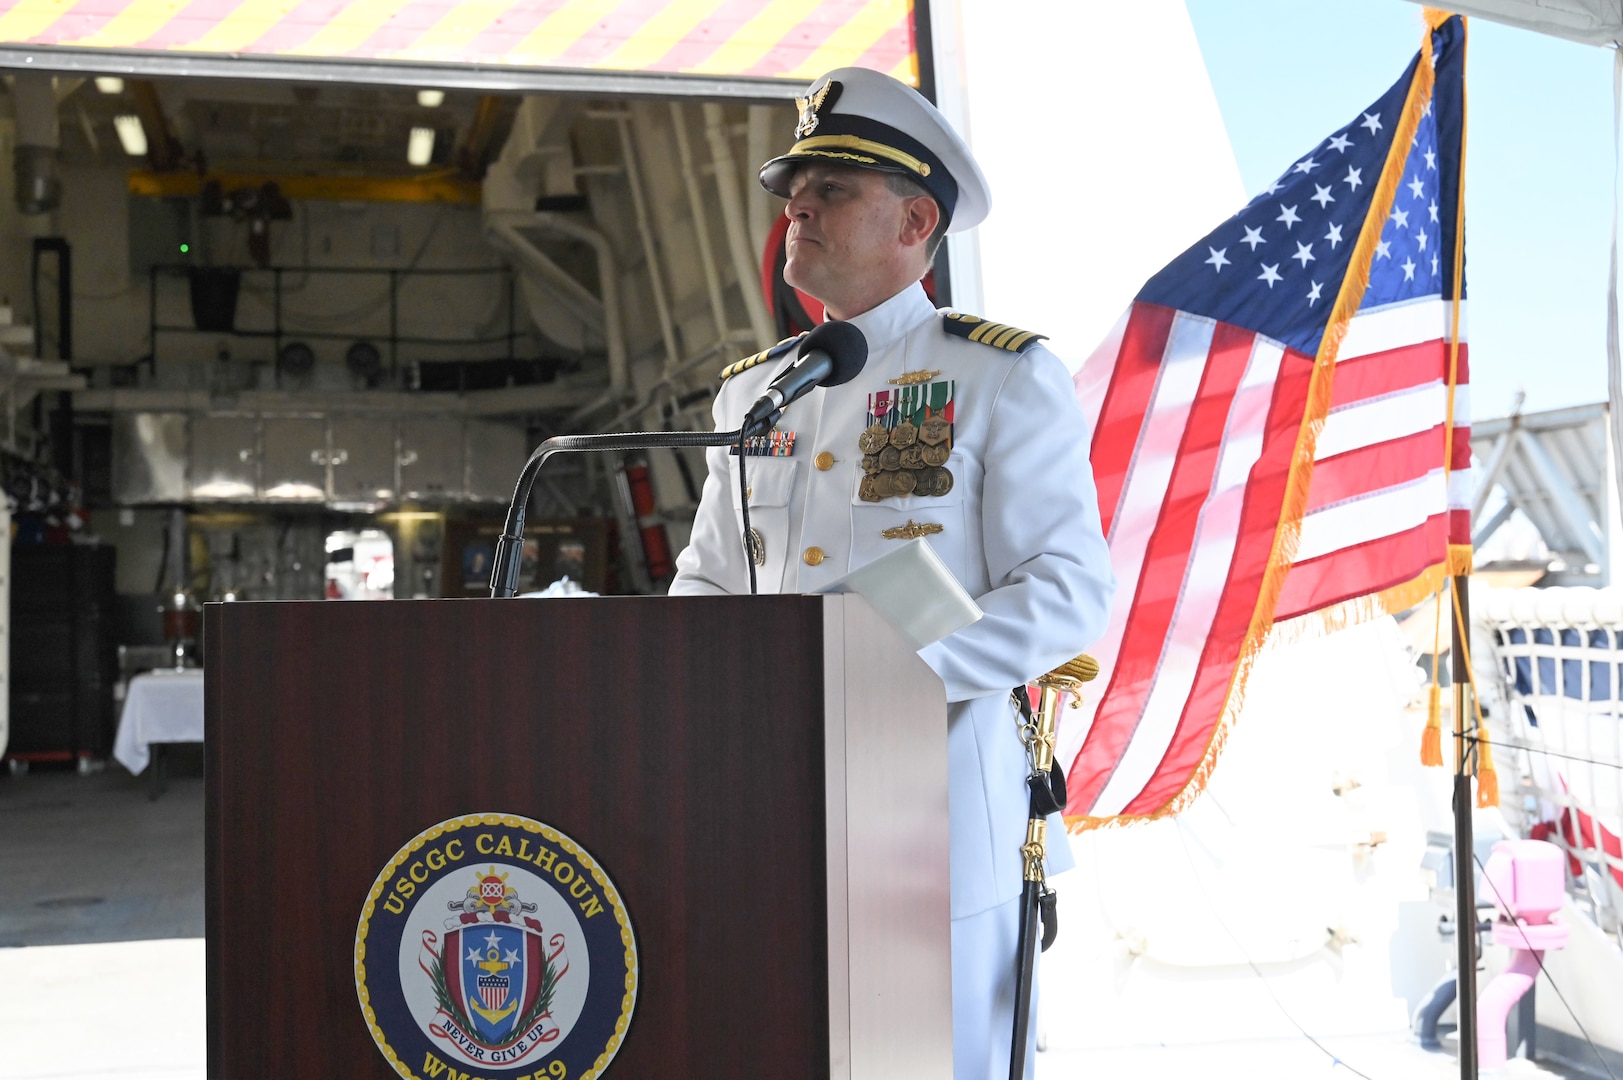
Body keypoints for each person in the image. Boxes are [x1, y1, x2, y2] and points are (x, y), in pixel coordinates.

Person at [668, 66, 1114, 1078]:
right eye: (794, 190)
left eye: (832, 189)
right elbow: (703, 582)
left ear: (916, 220)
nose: (799, 208)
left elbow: (1067, 589)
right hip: (766, 819)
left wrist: (891, 675)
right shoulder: (755, 395)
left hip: (941, 832)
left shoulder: (1000, 374)